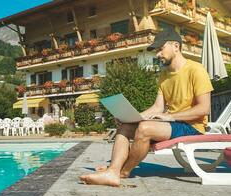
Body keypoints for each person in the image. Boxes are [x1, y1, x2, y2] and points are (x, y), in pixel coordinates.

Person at [79, 29, 214, 187]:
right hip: (173, 125)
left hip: (193, 126)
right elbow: (157, 108)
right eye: (157, 51)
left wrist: (169, 116)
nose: (157, 54)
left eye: (160, 49)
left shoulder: (196, 69)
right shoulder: (164, 76)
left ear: (176, 46)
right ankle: (113, 170)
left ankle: (122, 172)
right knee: (124, 127)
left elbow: (204, 109)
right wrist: (131, 117)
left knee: (145, 129)